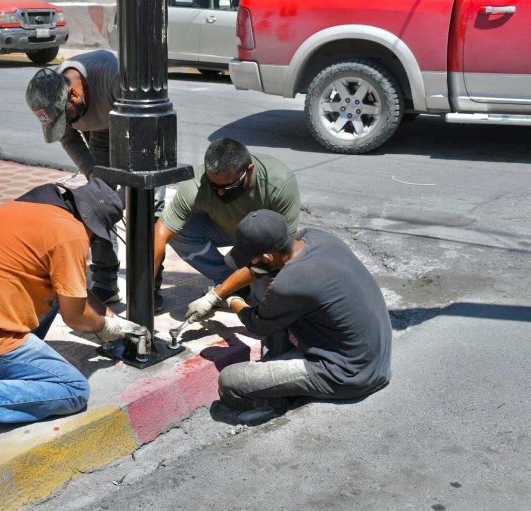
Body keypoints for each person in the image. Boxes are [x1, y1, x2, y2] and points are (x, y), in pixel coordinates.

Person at [0, 178, 149, 446]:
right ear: (92, 226)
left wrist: (110, 315)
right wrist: (104, 327)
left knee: (59, 292)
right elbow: (75, 317)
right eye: (96, 237)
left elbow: (73, 292)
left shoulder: (28, 210)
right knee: (73, 390)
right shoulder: (71, 234)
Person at [212, 210, 392, 423]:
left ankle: (275, 402)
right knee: (275, 306)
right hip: (373, 355)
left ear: (268, 257)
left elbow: (256, 323)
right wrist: (217, 292)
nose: (248, 268)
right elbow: (262, 273)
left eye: (251, 262)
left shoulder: (289, 284)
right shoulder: (316, 237)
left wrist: (232, 300)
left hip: (349, 373)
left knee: (230, 381)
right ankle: (280, 380)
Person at [25, 49, 166, 309]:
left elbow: (144, 134)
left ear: (75, 95)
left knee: (148, 207)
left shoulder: (114, 76)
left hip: (140, 129)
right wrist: (97, 184)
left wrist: (129, 194)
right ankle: (105, 282)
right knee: (96, 206)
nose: (64, 124)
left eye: (66, 119)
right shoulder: (50, 93)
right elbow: (69, 138)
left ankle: (150, 285)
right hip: (99, 133)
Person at [154, 138, 300, 314]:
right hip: (222, 229)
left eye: (230, 186)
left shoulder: (278, 183)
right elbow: (160, 233)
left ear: (249, 170)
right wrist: (144, 290)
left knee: (266, 306)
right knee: (178, 230)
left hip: (262, 243)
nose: (221, 192)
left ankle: (237, 288)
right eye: (214, 186)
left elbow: (283, 252)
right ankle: (233, 283)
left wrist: (216, 294)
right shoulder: (196, 185)